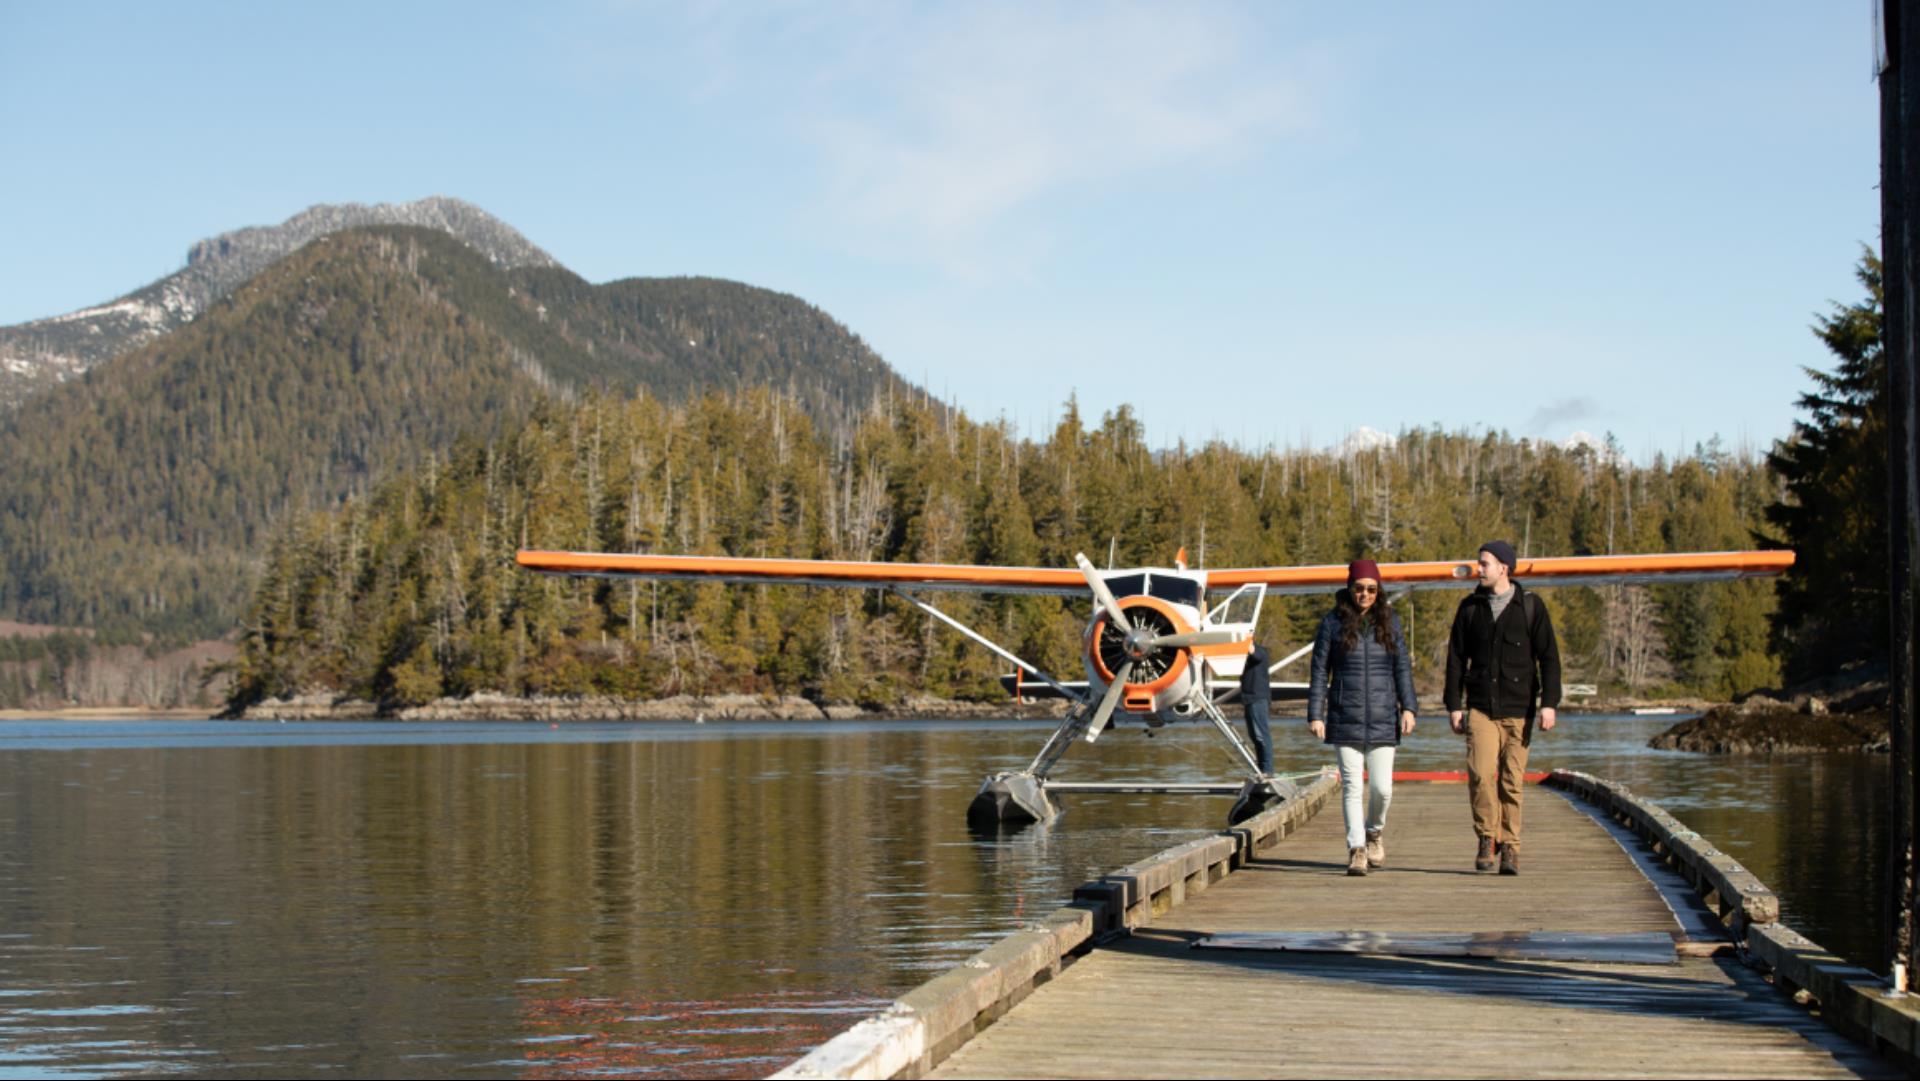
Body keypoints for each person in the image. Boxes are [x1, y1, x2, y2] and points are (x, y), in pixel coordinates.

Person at [1443, 540, 1562, 876]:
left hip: (1519, 708)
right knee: (1480, 775)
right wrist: (1454, 705)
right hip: (1480, 707)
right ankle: (1486, 836)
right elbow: (1455, 660)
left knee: (1511, 781)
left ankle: (1510, 846)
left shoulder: (1531, 607)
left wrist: (1549, 704)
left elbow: (1549, 659)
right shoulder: (1469, 609)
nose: (1478, 569)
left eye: (1484, 564)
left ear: (1504, 568)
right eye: (1479, 563)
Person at [1306, 559, 1417, 877]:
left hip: (1384, 714)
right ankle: (1356, 849)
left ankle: (1374, 832)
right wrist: (1316, 713)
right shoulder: (1331, 623)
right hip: (1344, 714)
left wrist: (1408, 707)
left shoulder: (1391, 622)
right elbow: (1318, 671)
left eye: (1371, 589)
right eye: (1359, 588)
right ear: (1349, 589)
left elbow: (1402, 668)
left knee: (1383, 789)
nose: (1365, 594)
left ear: (1378, 591)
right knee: (1353, 786)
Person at [1240, 640, 1273, 774]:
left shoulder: (1261, 651)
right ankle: (1261, 768)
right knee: (1254, 736)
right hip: (1249, 699)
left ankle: (1268, 770)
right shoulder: (1244, 658)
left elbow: (1256, 655)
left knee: (1261, 735)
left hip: (1258, 698)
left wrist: (1244, 639)